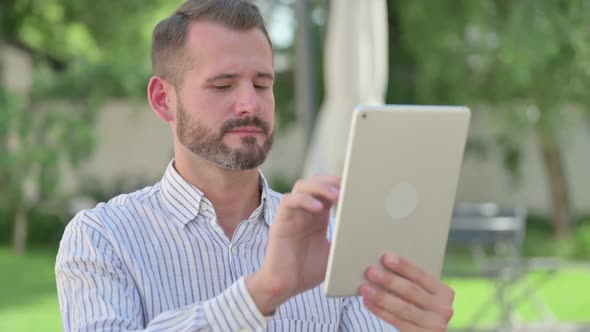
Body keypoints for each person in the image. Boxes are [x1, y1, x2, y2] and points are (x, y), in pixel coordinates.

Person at [55, 0, 455, 331]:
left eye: (262, 83)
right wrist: (262, 292)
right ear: (164, 99)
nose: (250, 103)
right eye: (223, 85)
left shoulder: (332, 237)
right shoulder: (102, 240)